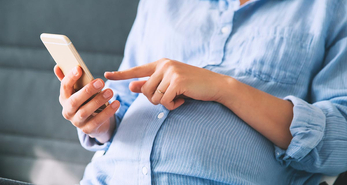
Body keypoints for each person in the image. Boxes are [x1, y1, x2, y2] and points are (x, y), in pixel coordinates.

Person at [54, 0, 347, 184]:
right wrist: (97, 118)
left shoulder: (331, 8)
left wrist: (224, 88)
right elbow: (126, 100)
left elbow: (341, 143)